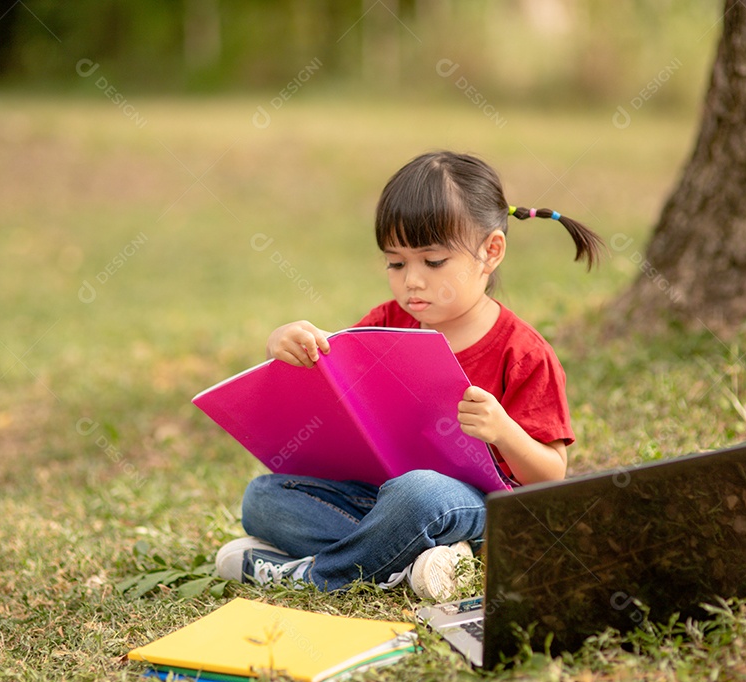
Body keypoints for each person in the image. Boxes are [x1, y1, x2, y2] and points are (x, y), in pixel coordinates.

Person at [215, 150, 603, 600]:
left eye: (432, 262)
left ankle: (314, 575)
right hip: (380, 497)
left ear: (490, 252)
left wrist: (503, 430)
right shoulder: (387, 323)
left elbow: (551, 477)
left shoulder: (523, 353)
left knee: (418, 493)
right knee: (263, 497)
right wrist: (284, 347)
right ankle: (411, 560)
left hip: (473, 508)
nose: (412, 281)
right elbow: (333, 387)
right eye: (396, 264)